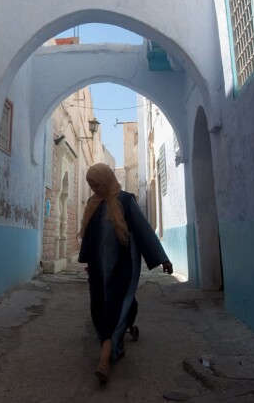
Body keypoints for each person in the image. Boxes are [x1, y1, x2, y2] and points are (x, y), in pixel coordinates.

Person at [78, 163, 173, 384]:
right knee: (99, 308)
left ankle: (104, 360)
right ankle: (112, 346)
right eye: (90, 185)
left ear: (107, 180)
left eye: (97, 184)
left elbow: (143, 230)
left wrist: (163, 259)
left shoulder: (126, 201)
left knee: (115, 309)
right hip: (99, 271)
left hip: (122, 266)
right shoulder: (94, 204)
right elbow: (90, 238)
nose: (94, 189)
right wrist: (89, 262)